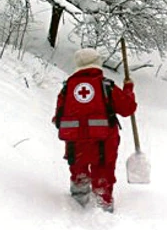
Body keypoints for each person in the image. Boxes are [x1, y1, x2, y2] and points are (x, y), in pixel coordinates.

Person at [53, 48, 137, 212]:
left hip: (76, 145)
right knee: (103, 174)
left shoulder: (67, 88)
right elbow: (127, 108)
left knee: (79, 172)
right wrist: (128, 89)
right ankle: (102, 206)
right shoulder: (106, 86)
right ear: (98, 63)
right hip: (104, 143)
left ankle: (77, 206)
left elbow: (58, 119)